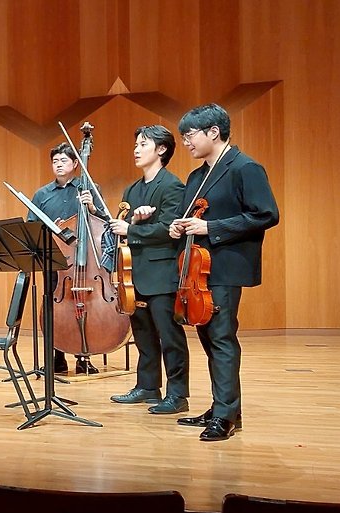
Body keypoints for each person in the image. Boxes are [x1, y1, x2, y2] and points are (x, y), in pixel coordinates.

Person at [170, 103, 279, 441]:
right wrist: (177, 226)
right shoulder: (197, 176)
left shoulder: (245, 167)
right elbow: (188, 216)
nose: (186, 142)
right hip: (198, 270)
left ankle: (226, 415)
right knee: (208, 337)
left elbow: (266, 214)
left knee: (221, 338)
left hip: (226, 266)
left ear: (214, 132)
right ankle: (224, 408)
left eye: (190, 135)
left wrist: (210, 227)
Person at [107, 126, 190, 414]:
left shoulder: (172, 185)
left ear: (162, 149)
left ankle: (178, 395)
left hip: (162, 274)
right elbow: (125, 227)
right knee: (142, 334)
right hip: (134, 273)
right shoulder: (132, 189)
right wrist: (130, 224)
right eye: (136, 144)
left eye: (143, 144)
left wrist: (131, 228)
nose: (136, 149)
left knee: (170, 337)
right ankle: (148, 387)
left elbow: (170, 229)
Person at [27, 142, 110, 375]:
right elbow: (31, 226)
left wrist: (92, 207)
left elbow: (105, 221)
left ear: (75, 164)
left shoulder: (89, 188)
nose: (58, 165)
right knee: (54, 308)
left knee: (84, 306)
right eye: (55, 161)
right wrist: (48, 231)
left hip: (85, 260)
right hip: (54, 260)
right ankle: (57, 357)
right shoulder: (42, 194)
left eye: (63, 160)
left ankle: (84, 357)